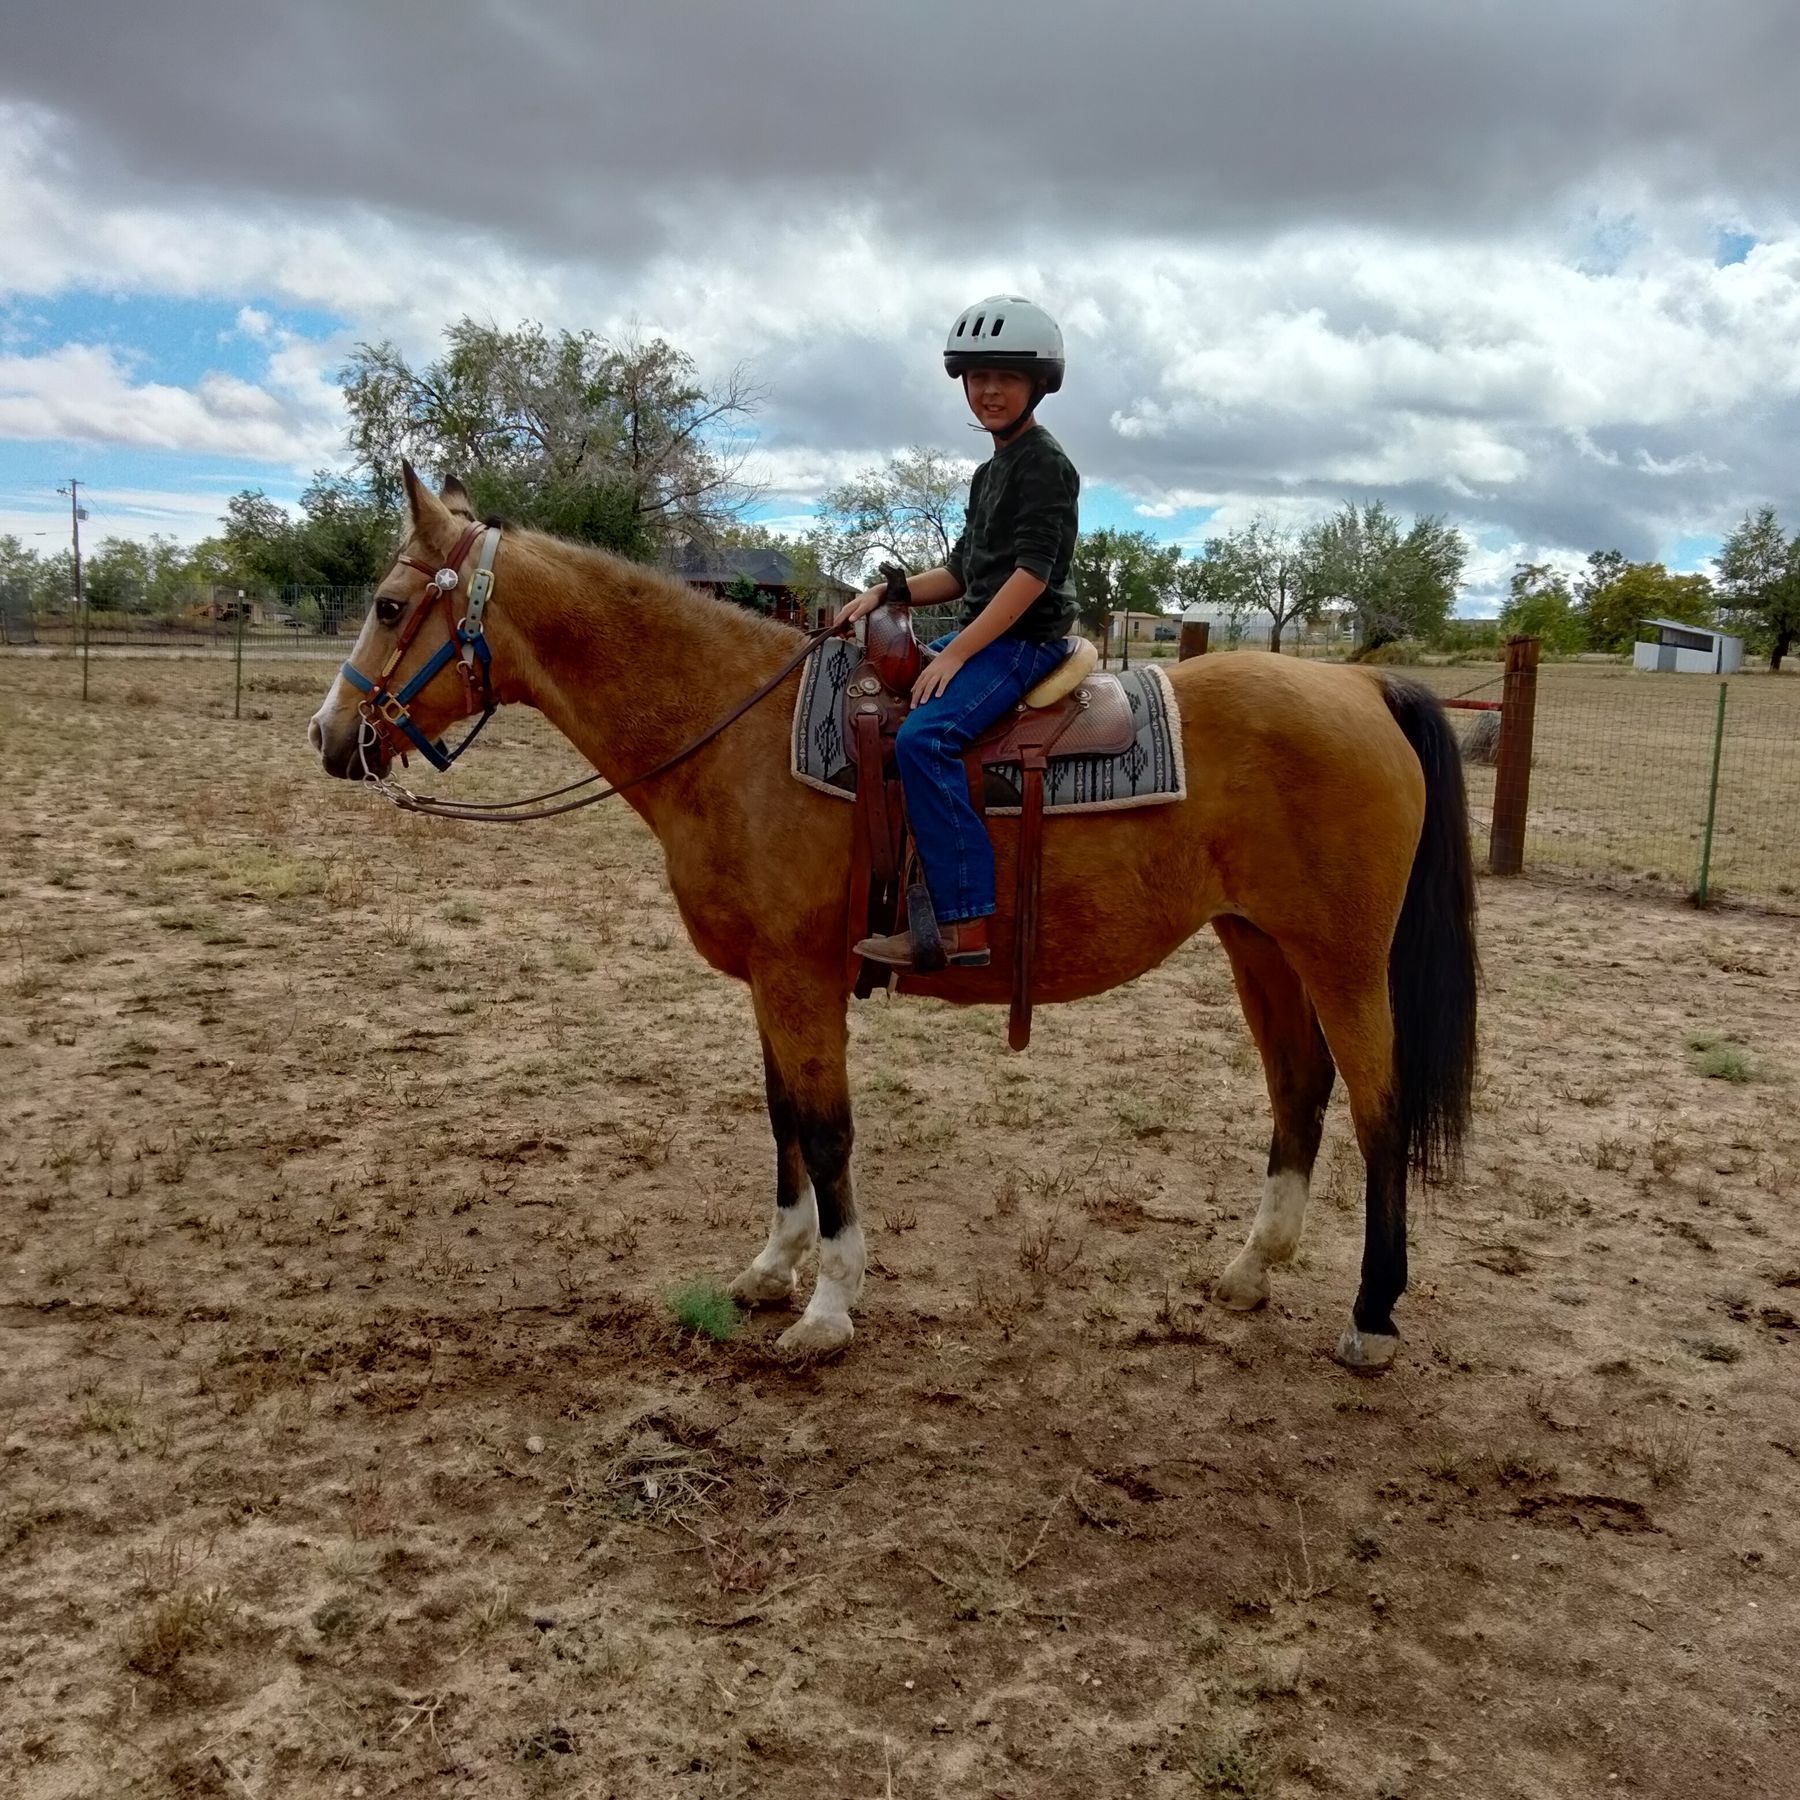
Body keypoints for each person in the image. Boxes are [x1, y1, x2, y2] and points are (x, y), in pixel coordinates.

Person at [835, 295, 1081, 970]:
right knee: (882, 704)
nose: (989, 391)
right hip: (991, 634)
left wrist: (961, 651)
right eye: (977, 377)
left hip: (1025, 642)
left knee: (925, 736)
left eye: (1005, 377)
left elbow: (1030, 576)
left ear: (1038, 385)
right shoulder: (990, 472)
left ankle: (963, 924)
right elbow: (962, 572)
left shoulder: (1045, 466)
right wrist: (886, 593)